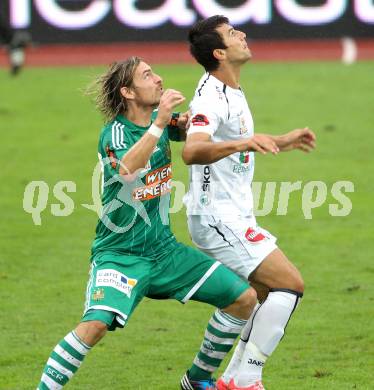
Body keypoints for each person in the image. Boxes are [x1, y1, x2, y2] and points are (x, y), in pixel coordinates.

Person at [36, 56, 258, 390]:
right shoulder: (113, 134)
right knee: (95, 325)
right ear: (127, 91)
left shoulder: (160, 120)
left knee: (243, 299)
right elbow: (128, 170)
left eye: (154, 72)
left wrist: (208, 114)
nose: (158, 78)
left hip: (164, 251)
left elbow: (195, 131)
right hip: (121, 254)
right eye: (147, 75)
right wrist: (161, 123)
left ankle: (197, 378)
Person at [181, 16, 316, 390]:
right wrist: (244, 143)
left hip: (231, 215)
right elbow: (192, 150)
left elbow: (234, 139)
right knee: (290, 284)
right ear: (219, 52)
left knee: (263, 294)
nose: (242, 34)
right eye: (231, 34)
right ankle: (246, 379)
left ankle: (229, 380)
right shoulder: (210, 95)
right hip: (217, 218)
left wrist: (280, 140)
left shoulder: (230, 89)